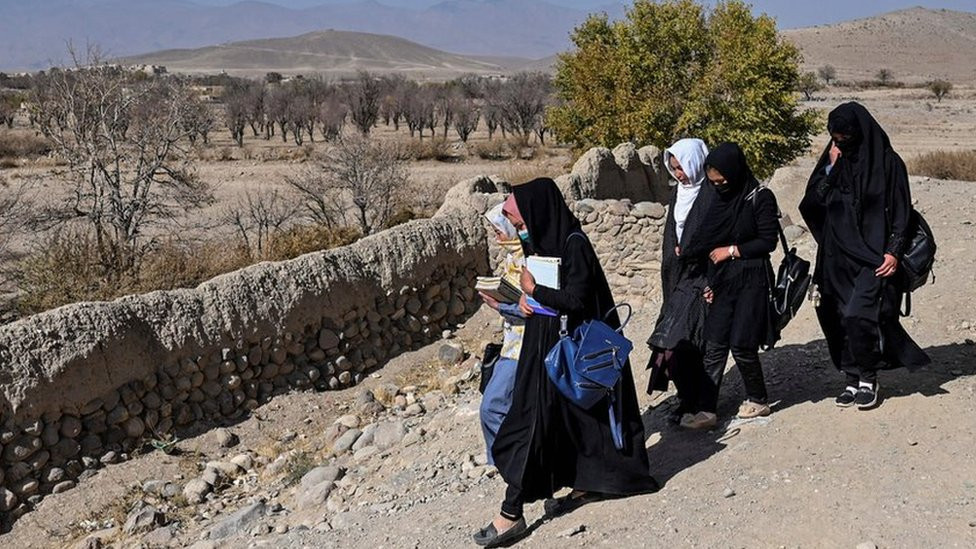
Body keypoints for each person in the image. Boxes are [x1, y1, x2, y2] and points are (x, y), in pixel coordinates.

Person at [473, 178, 657, 547]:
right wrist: (525, 305)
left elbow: (575, 300)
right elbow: (546, 303)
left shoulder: (575, 245)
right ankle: (585, 484)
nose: (521, 232)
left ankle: (511, 513)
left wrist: (534, 291)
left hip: (565, 353)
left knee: (534, 426)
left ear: (540, 213)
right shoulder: (544, 245)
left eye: (522, 224)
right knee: (563, 424)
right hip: (543, 351)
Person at [799, 102, 930, 409]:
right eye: (834, 137)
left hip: (874, 258)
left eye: (845, 136)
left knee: (861, 314)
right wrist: (830, 168)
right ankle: (851, 376)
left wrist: (893, 251)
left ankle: (869, 377)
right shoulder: (833, 162)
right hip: (834, 257)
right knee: (835, 317)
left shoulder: (888, 164)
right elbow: (812, 204)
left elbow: (901, 212)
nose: (840, 142)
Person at [681, 142, 779, 429]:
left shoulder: (760, 198)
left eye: (723, 180)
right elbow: (708, 244)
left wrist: (732, 250)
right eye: (714, 182)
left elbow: (767, 241)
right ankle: (706, 409)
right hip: (723, 281)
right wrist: (710, 282)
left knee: (742, 343)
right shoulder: (718, 200)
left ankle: (758, 399)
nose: (719, 186)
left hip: (752, 278)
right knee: (715, 343)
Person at [646, 138, 715, 425]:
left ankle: (701, 402)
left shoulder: (712, 194)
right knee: (668, 344)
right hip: (676, 278)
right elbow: (672, 236)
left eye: (682, 167)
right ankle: (686, 398)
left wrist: (712, 279)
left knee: (688, 342)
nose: (679, 174)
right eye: (674, 168)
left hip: (700, 278)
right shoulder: (679, 194)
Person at [478, 203, 526, 466]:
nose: (497, 237)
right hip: (511, 342)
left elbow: (534, 309)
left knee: (492, 406)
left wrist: (500, 305)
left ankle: (509, 462)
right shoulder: (511, 257)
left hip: (522, 347)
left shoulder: (528, 258)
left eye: (500, 230)